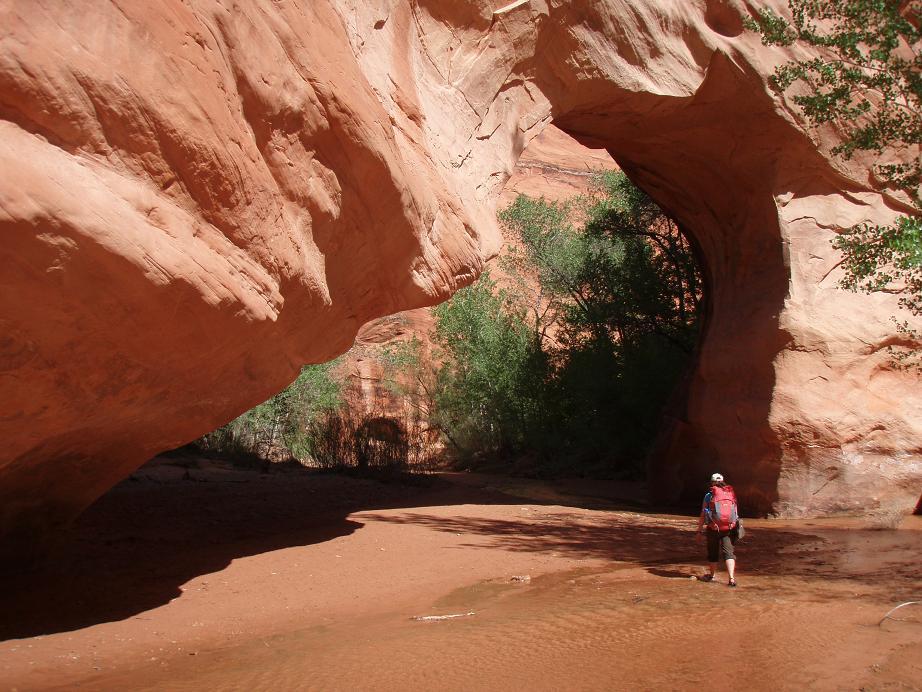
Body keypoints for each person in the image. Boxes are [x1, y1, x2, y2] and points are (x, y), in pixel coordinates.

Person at [696, 472, 739, 587]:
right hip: (728, 528)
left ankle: (711, 576)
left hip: (713, 528)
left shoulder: (709, 495)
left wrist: (699, 531)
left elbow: (703, 514)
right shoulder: (730, 493)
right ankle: (731, 578)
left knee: (713, 553)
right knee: (729, 553)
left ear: (712, 483)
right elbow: (735, 512)